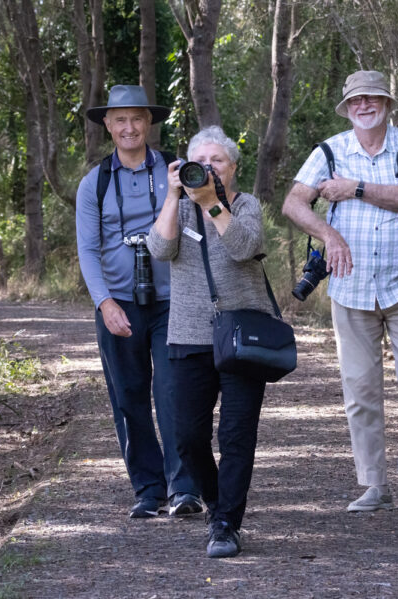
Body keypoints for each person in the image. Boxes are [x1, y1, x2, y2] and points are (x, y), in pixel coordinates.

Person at [282, 70, 398, 513]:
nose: (364, 105)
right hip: (350, 287)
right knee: (361, 391)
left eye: (372, 98)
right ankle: (374, 485)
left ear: (387, 103)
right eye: (356, 100)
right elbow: (294, 202)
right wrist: (330, 236)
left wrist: (354, 188)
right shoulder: (330, 149)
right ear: (347, 107)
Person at [147, 126, 272, 558]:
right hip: (188, 336)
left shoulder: (246, 204)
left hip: (241, 337)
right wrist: (171, 196)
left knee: (237, 435)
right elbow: (159, 251)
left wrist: (212, 204)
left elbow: (244, 246)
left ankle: (225, 524)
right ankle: (219, 504)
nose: (209, 166)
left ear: (232, 168)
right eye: (199, 160)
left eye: (217, 160)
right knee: (187, 437)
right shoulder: (178, 210)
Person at [76, 85, 200, 519]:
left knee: (174, 394)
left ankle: (184, 487)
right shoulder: (95, 182)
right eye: (120, 119)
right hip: (118, 304)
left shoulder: (176, 170)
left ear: (149, 122)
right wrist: (104, 302)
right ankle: (148, 490)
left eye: (137, 118)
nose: (129, 127)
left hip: (174, 302)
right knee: (128, 398)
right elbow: (88, 251)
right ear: (107, 125)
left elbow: (203, 227)